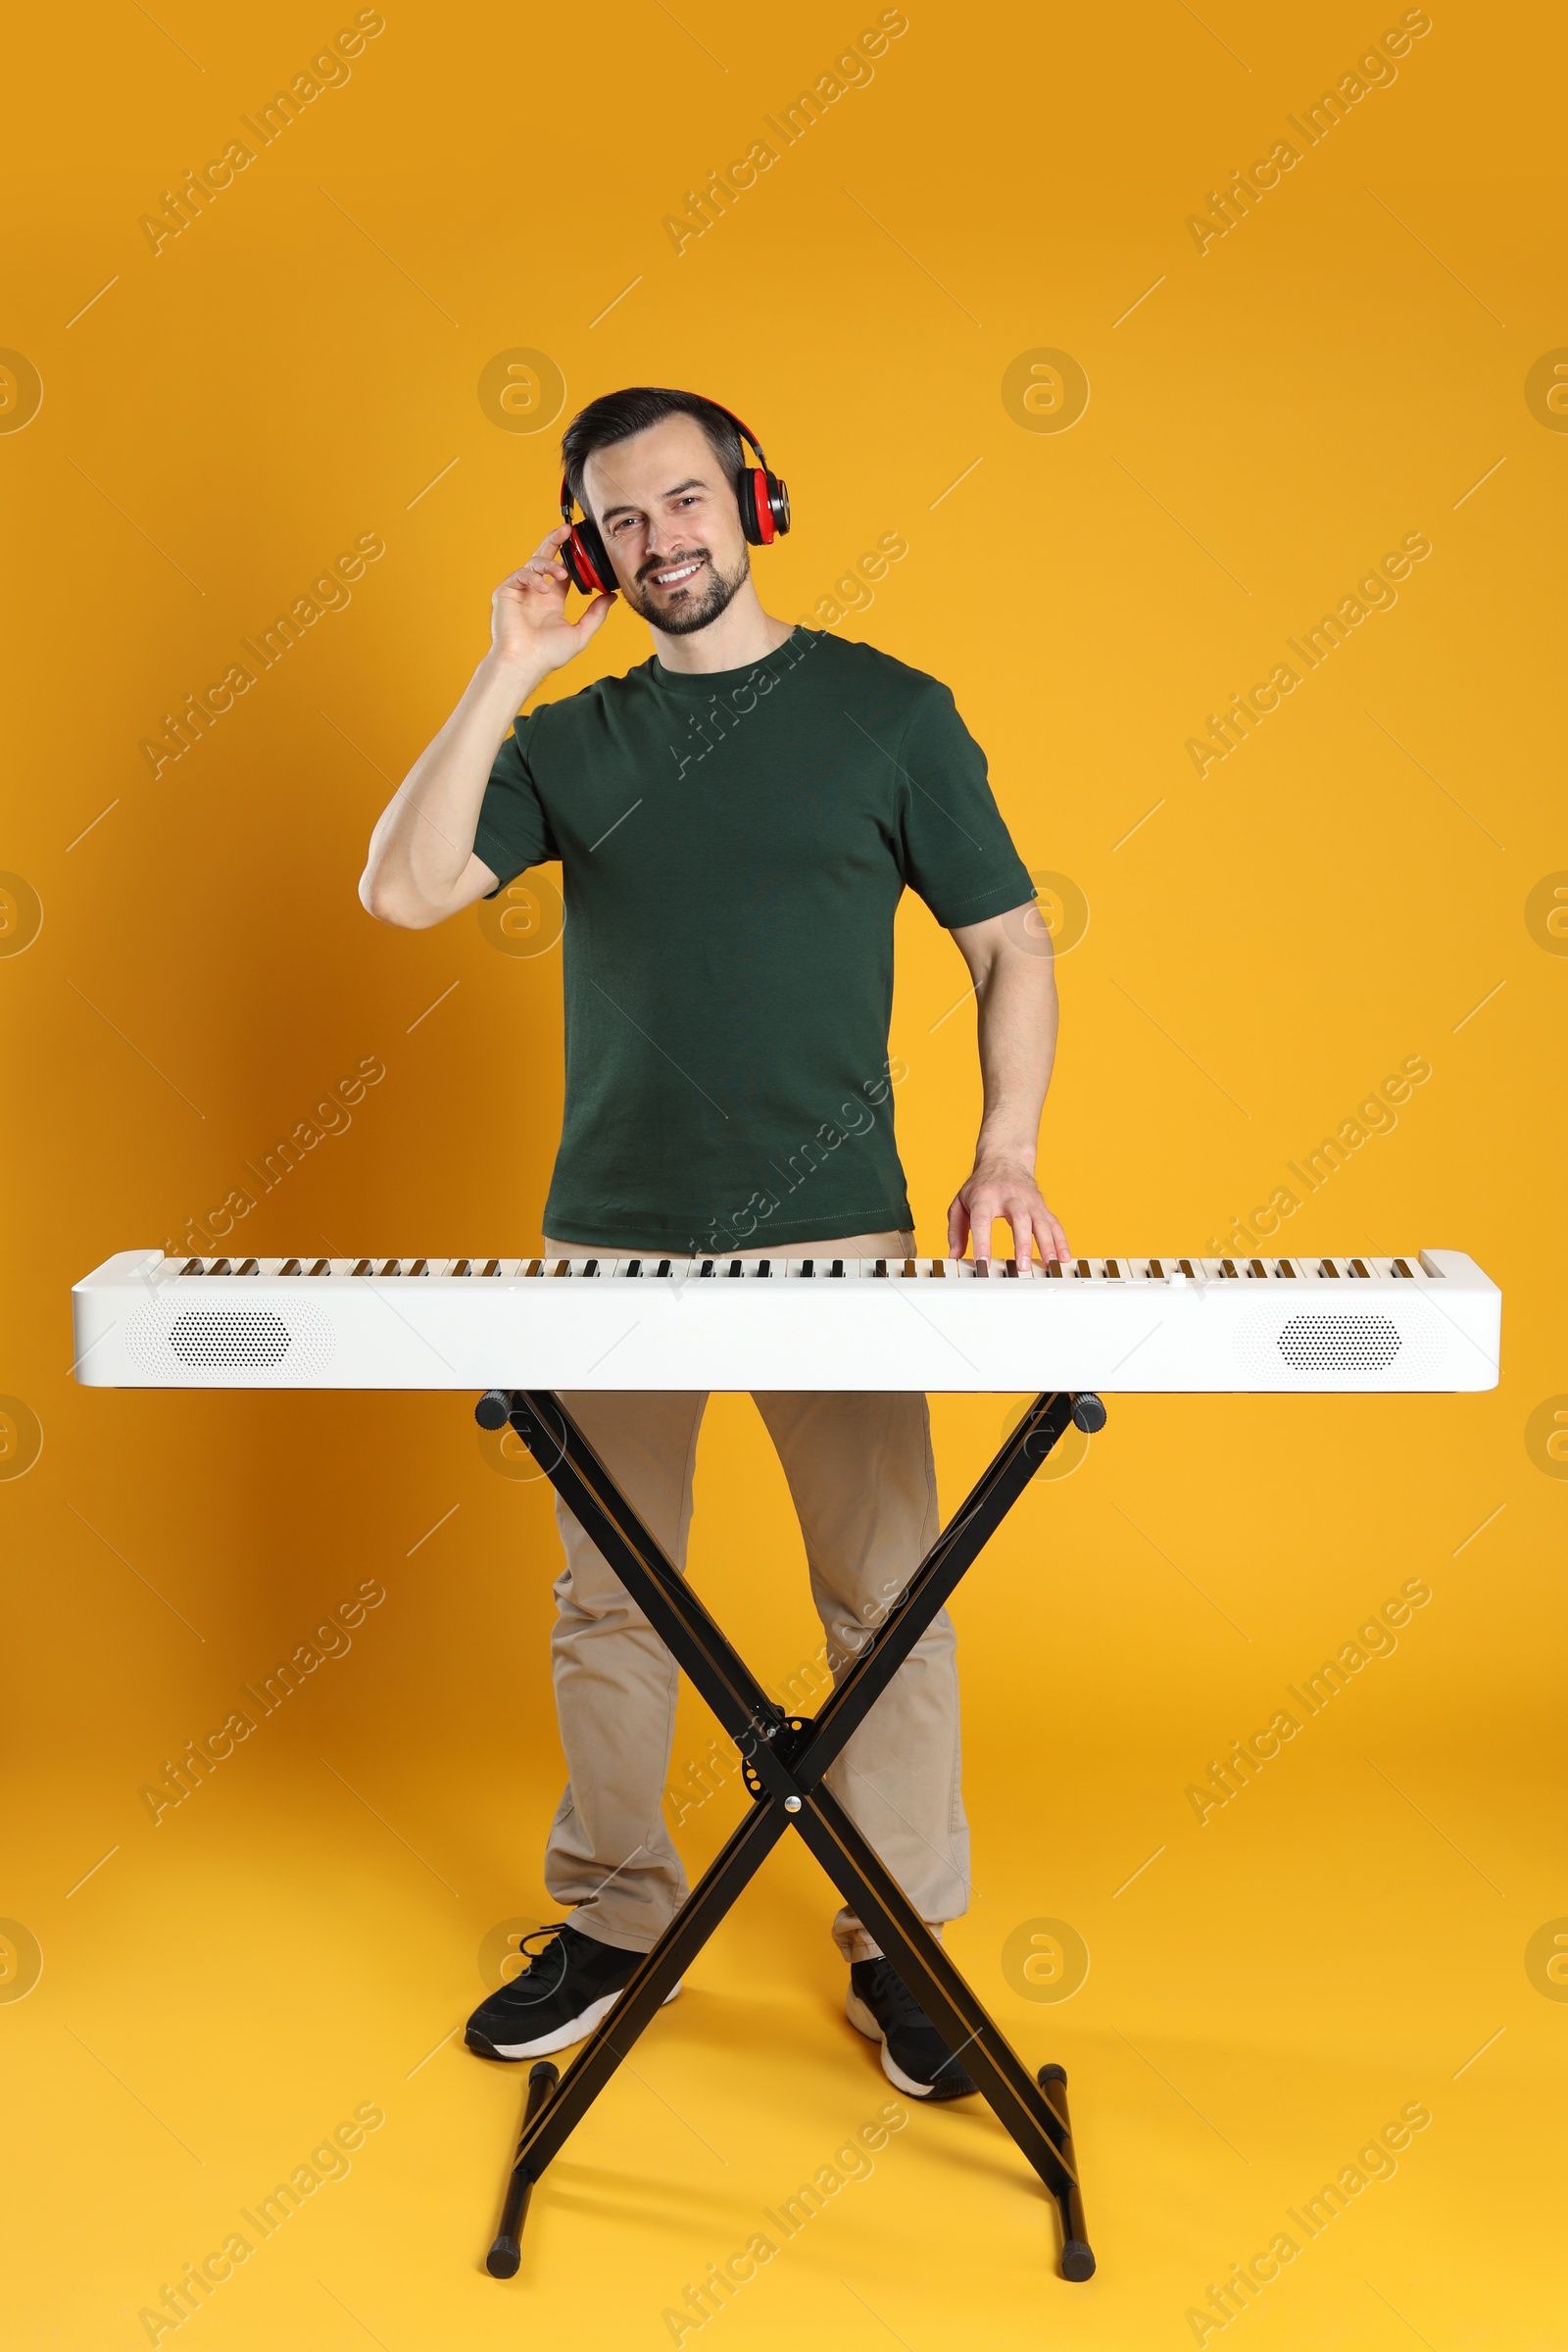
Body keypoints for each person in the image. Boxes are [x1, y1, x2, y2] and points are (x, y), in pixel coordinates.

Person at [359, 387, 1068, 2100]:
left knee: (888, 1601)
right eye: (619, 520)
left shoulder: (889, 713)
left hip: (842, 1241)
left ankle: (898, 1939)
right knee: (610, 1601)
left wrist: (1009, 1151)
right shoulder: (570, 740)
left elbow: (1014, 947)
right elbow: (401, 890)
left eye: (685, 500)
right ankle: (615, 1921)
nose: (660, 539)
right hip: (609, 1249)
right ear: (585, 547)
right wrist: (508, 663)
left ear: (753, 497)